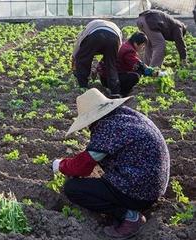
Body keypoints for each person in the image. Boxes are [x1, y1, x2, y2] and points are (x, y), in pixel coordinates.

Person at [52, 88, 170, 239]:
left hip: (139, 191)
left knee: (73, 188)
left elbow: (82, 167)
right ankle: (125, 208)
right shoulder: (125, 116)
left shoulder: (109, 129)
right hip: (153, 185)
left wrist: (61, 165)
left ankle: (130, 217)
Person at [96, 32, 159, 97]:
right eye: (142, 45)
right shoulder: (129, 51)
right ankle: (122, 92)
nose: (142, 48)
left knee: (136, 71)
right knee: (135, 75)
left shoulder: (124, 45)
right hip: (110, 80)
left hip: (104, 77)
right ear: (136, 43)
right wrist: (151, 72)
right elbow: (138, 65)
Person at [72, 19, 123, 98]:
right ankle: (114, 91)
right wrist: (98, 67)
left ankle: (83, 86)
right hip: (114, 38)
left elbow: (79, 44)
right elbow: (116, 51)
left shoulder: (92, 24)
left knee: (83, 59)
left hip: (96, 35)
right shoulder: (114, 26)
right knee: (111, 64)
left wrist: (74, 58)